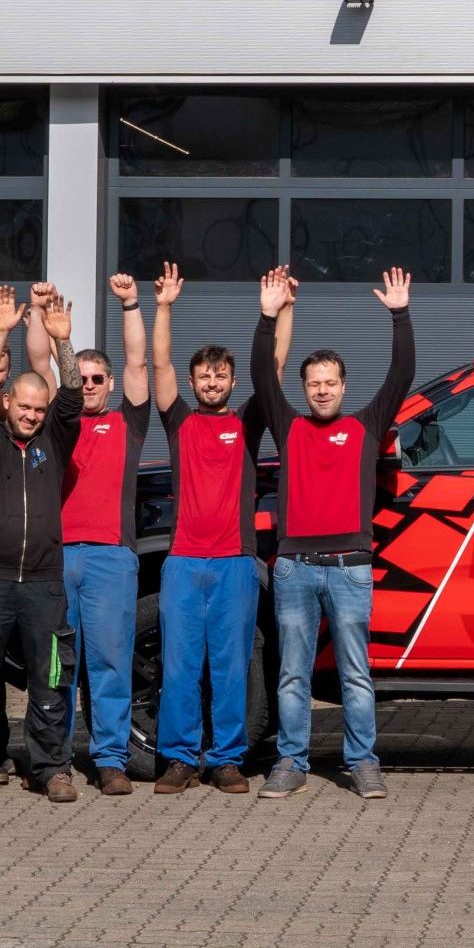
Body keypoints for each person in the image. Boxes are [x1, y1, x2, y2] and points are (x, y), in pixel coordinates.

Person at [254, 267, 417, 802]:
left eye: (330, 383)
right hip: (294, 569)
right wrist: (268, 316)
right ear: (304, 390)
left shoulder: (365, 427)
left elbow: (402, 374)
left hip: (350, 569)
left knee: (355, 675)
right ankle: (290, 762)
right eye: (313, 384)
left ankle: (363, 762)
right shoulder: (289, 427)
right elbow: (261, 376)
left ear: (344, 387)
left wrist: (400, 315)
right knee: (292, 675)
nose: (322, 391)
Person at [146, 263, 292, 794]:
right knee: (181, 666)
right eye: (204, 376)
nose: (212, 382)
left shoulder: (247, 423)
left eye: (221, 375)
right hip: (184, 561)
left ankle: (227, 759)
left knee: (231, 666)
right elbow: (159, 362)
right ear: (193, 383)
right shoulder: (180, 421)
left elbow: (275, 365)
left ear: (232, 381)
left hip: (235, 562)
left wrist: (284, 309)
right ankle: (180, 759)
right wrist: (163, 306)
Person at [0, 286, 85, 803]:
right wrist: (1, 332)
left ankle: (52, 769)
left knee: (51, 682)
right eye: (24, 406)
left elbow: (73, 395)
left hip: (44, 586)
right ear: (10, 403)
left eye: (38, 409)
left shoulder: (54, 440)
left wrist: (63, 341)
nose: (31, 415)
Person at [20, 277, 154, 795]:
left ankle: (111, 760)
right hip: (56, 559)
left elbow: (139, 361)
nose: (91, 385)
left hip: (111, 559)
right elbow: (40, 362)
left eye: (99, 378)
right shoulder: (59, 420)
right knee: (57, 665)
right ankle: (54, 760)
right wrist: (38, 312)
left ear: (112, 384)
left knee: (110, 663)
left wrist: (130, 303)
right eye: (85, 377)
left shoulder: (128, 425)